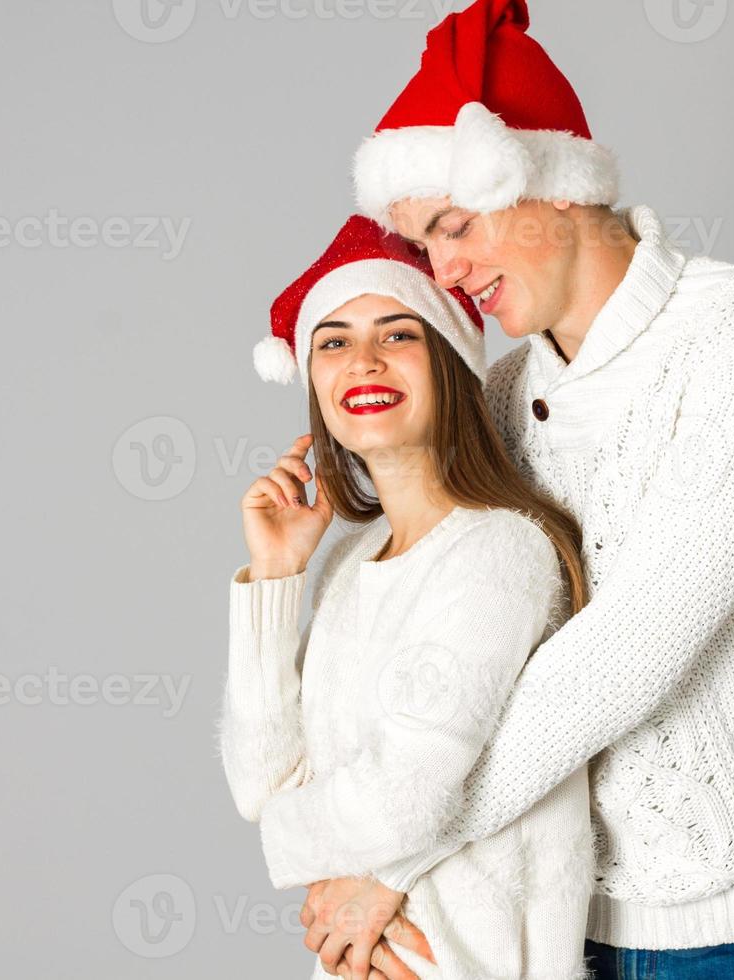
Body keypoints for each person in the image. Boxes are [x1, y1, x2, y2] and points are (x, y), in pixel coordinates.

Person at [298, 2, 734, 978]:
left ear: (555, 184)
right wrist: (280, 579)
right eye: (423, 244)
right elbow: (421, 650)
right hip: (553, 932)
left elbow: (629, 650)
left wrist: (396, 852)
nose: (445, 272)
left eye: (454, 226)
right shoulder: (502, 400)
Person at [219, 214, 598, 980]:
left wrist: (292, 842)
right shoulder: (349, 567)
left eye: (397, 335)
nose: (362, 361)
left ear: (451, 364)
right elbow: (262, 781)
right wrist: (275, 576)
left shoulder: (499, 550)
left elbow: (403, 800)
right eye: (332, 341)